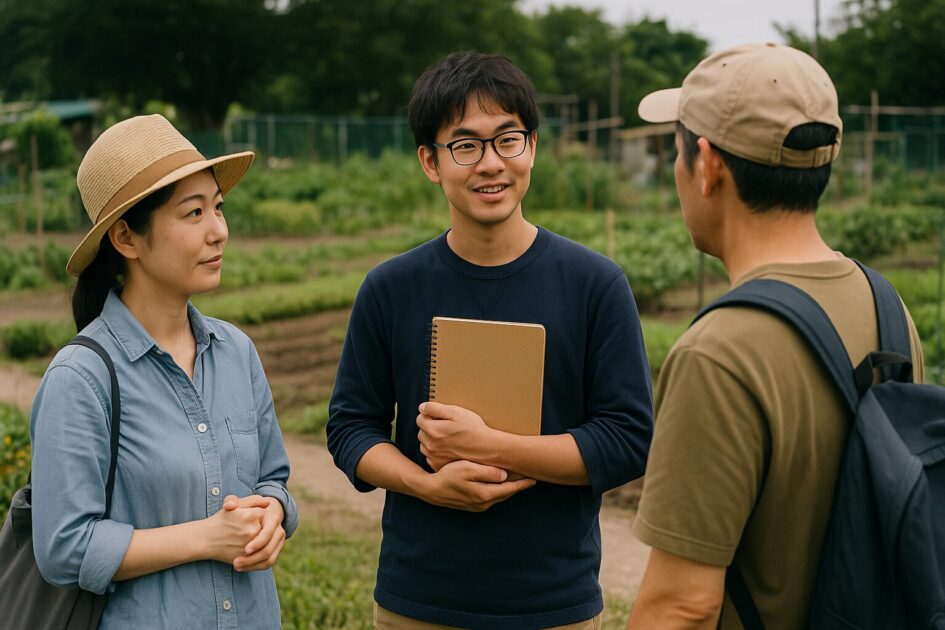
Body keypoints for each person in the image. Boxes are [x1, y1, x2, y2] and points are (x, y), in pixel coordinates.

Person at [326, 51, 653, 629]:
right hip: (416, 602)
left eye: (508, 140)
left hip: (554, 604)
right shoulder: (391, 288)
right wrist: (429, 486)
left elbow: (626, 439)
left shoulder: (594, 285)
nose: (490, 164)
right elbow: (351, 427)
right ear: (430, 161)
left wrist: (489, 445)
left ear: (532, 148)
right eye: (465, 145)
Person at [626, 44, 925, 629]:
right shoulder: (887, 304)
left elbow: (681, 605)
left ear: (707, 164)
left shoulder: (719, 351)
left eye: (678, 151)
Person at [29, 114, 299, 629]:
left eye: (218, 208)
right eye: (193, 213)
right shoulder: (80, 379)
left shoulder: (237, 351)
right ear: (126, 238)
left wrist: (275, 515)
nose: (219, 231)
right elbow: (64, 546)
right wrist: (205, 537)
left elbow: (274, 479)